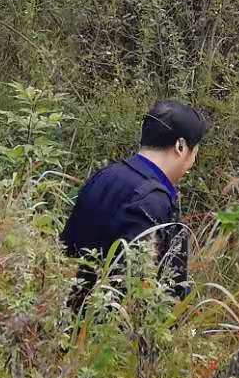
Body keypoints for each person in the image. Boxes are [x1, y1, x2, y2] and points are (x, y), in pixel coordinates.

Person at [61, 100, 205, 306]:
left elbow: (67, 249)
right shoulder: (153, 200)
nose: (192, 162)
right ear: (180, 146)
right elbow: (146, 289)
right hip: (107, 328)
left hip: (68, 315)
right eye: (195, 153)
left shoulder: (105, 175)